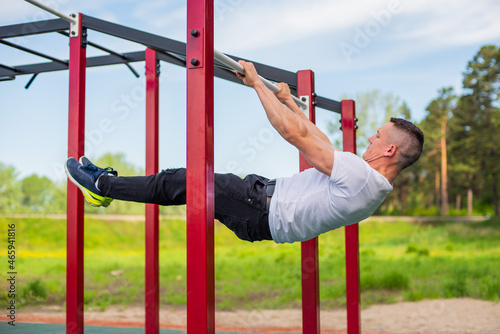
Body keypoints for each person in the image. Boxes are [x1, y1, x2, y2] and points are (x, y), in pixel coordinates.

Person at [65, 61, 424, 244]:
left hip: (260, 210)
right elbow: (319, 142)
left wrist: (257, 85)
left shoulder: (363, 178)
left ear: (390, 149)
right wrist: (292, 104)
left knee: (181, 181)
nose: (369, 141)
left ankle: (102, 186)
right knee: (182, 184)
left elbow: (292, 134)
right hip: (259, 206)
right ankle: (104, 185)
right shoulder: (369, 185)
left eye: (376, 137)